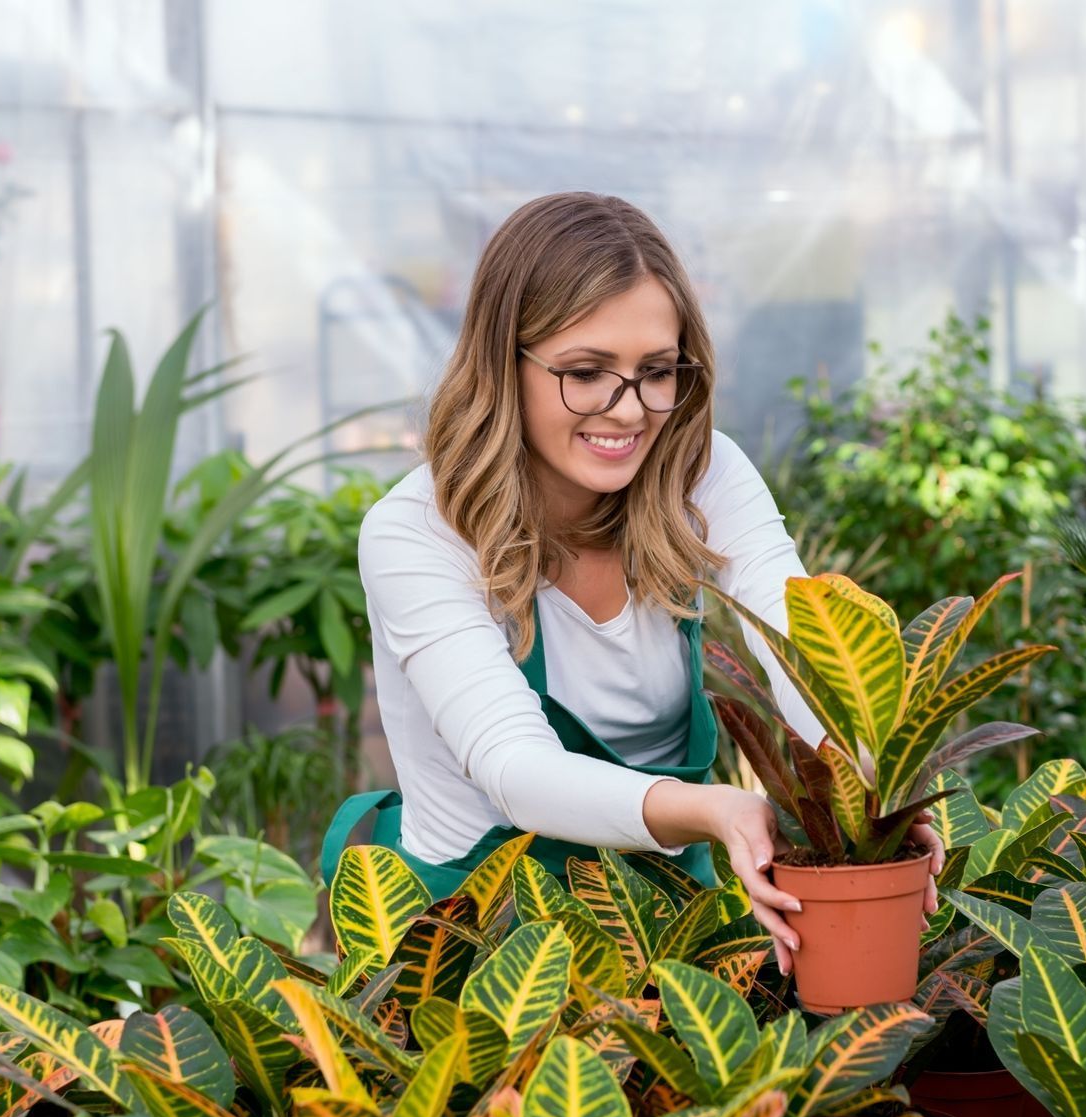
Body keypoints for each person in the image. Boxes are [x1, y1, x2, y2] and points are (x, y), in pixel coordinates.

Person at [351, 191, 942, 976]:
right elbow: (515, 771)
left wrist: (865, 792)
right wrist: (719, 810)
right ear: (504, 361)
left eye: (656, 372)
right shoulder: (418, 532)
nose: (628, 411)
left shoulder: (703, 475)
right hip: (481, 951)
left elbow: (806, 642)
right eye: (587, 372)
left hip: (670, 934)